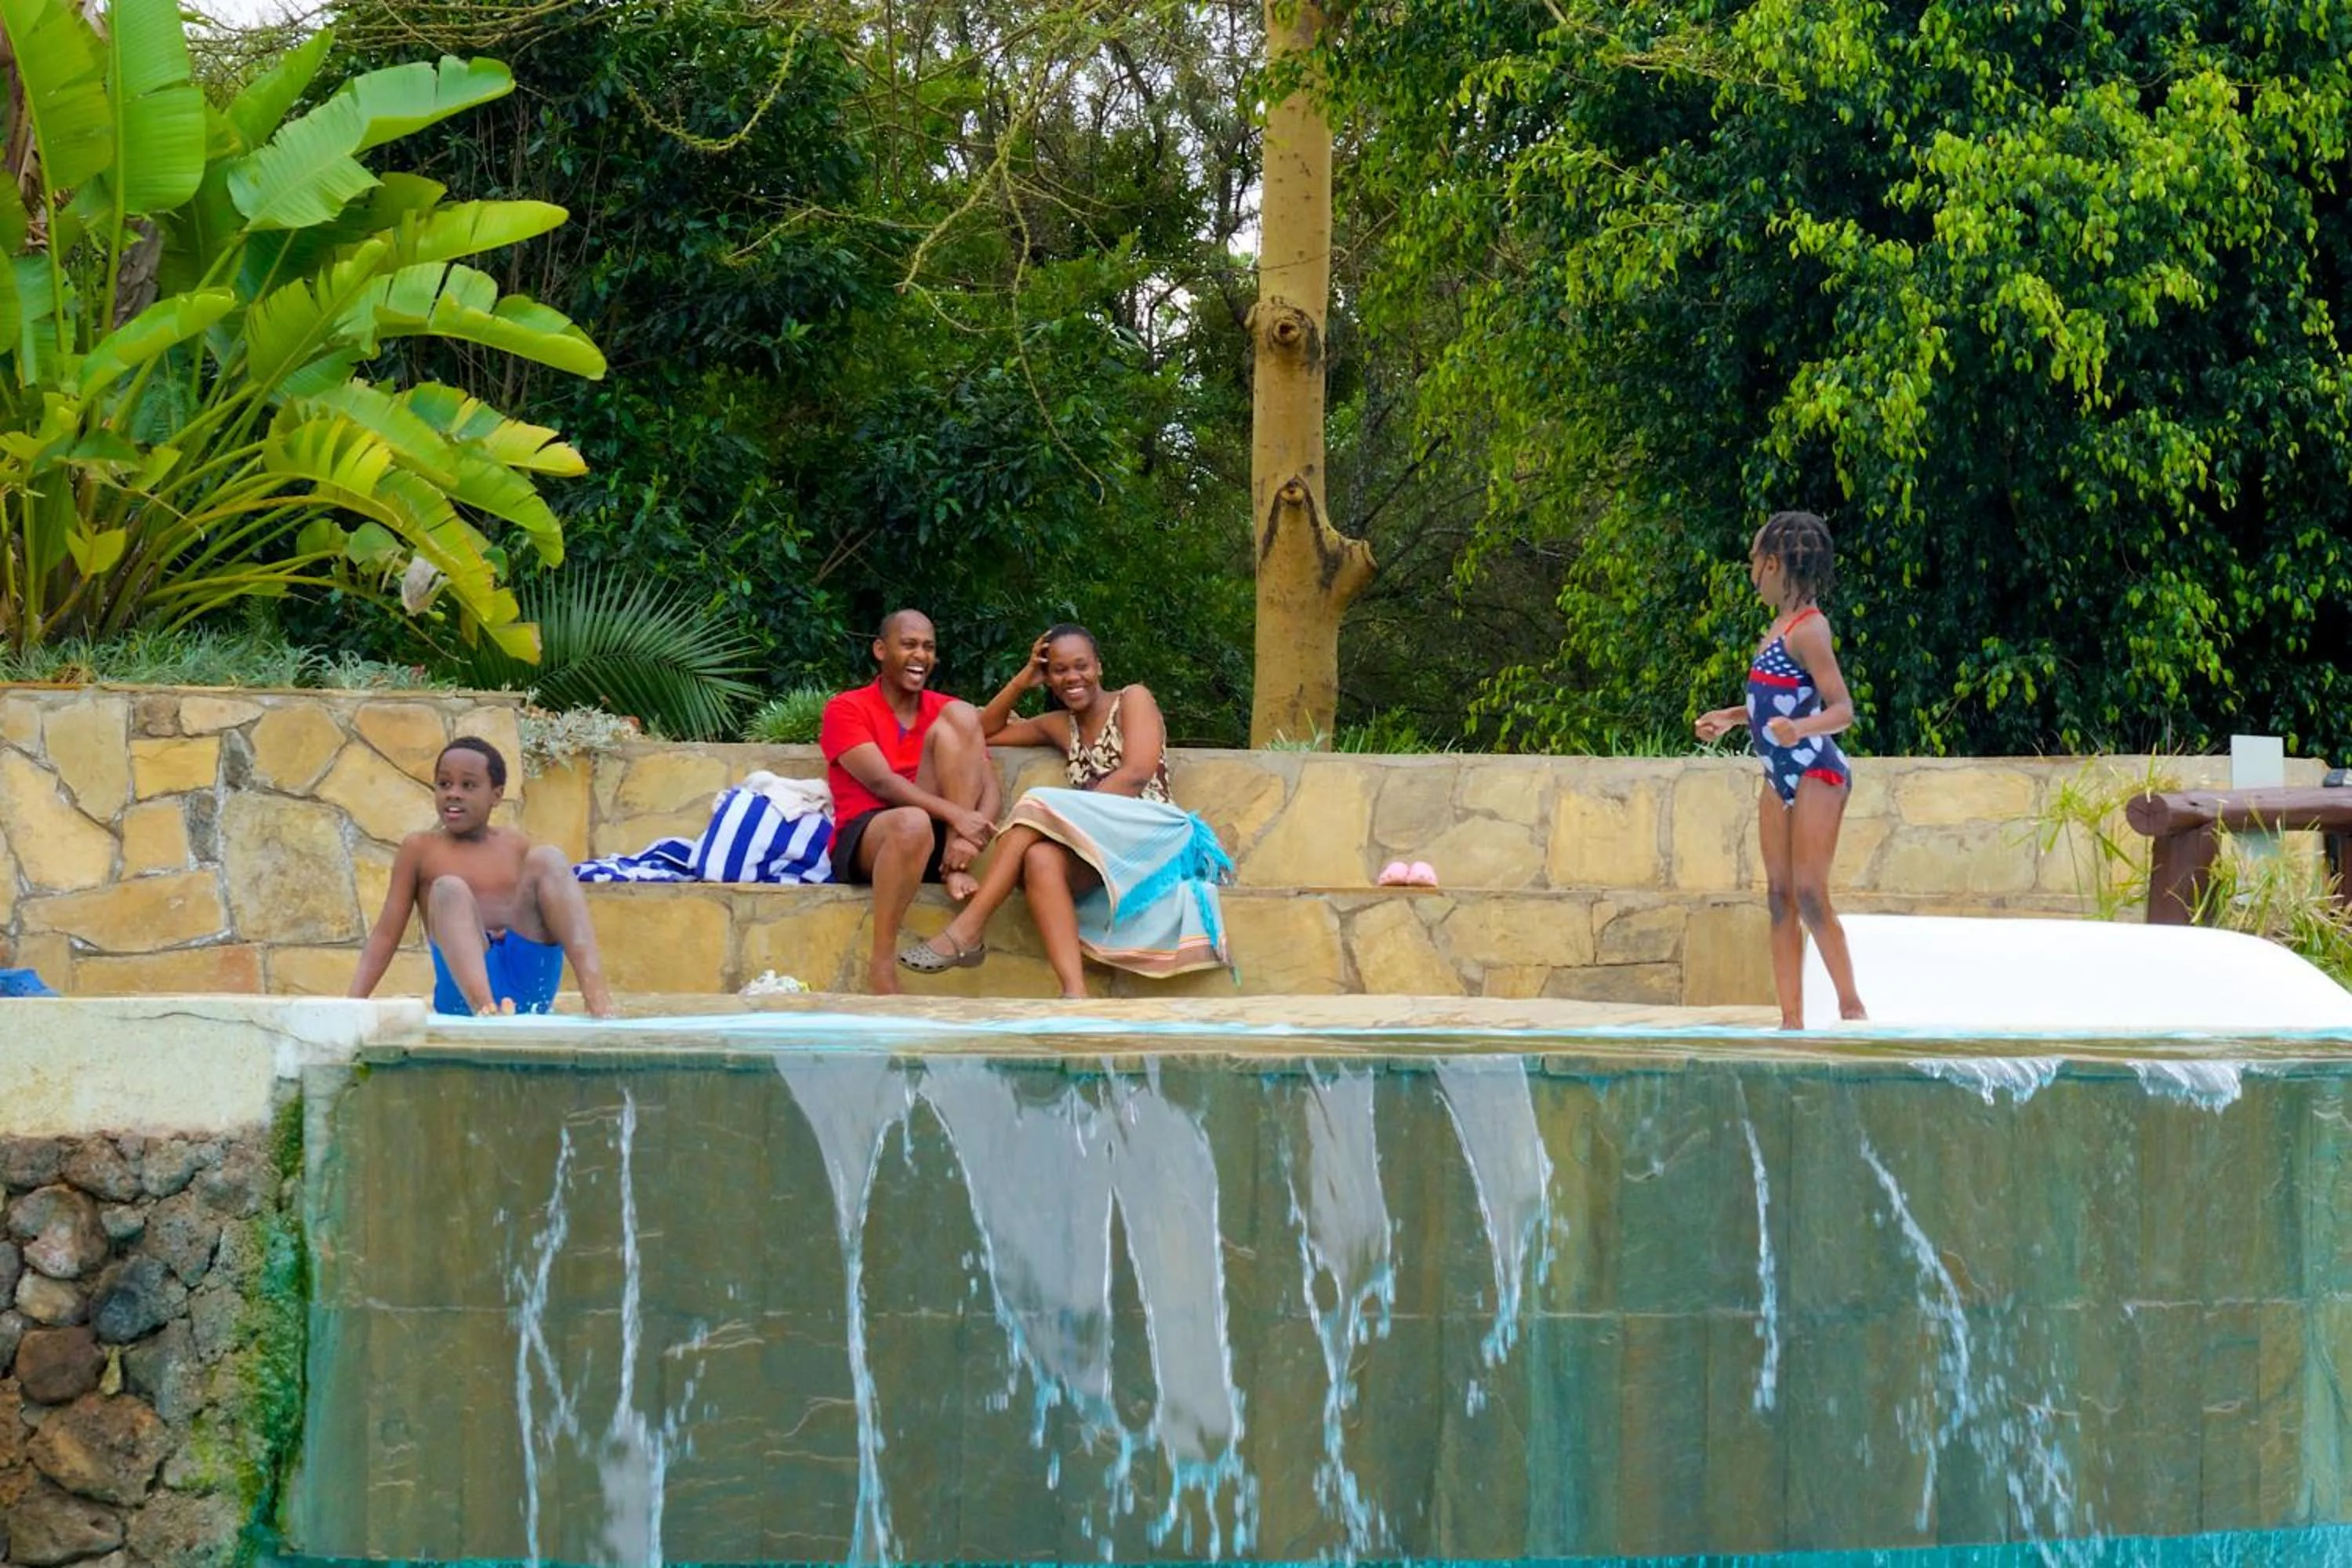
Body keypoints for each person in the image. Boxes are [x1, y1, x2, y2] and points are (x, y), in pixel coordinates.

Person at [898, 625, 1232, 997]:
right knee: (1041, 858)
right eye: (1059, 670)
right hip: (1102, 844)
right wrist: (1022, 682)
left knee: (1037, 801)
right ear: (1048, 678)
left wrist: (1069, 817)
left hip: (1153, 834)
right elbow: (983, 733)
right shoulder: (1060, 726)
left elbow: (1137, 774)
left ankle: (969, 929)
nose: (1073, 677)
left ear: (1099, 668)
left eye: (1082, 666)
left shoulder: (1133, 698)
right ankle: (1075, 994)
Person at [1695, 510, 1867, 1029]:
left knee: (1811, 896)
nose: (1751, 573)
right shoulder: (1777, 628)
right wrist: (1729, 718)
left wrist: (1805, 729)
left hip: (1817, 771)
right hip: (1778, 776)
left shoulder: (1810, 629)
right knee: (1778, 898)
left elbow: (1843, 710)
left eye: (1754, 562)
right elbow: (1772, 702)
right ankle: (1790, 1021)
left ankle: (1851, 1009)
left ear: (1773, 565)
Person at [349, 737, 619, 1018]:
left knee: (550, 859)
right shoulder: (419, 849)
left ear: (496, 795)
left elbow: (543, 912)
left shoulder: (516, 845)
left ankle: (599, 1004)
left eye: (468, 786)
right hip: (463, 995)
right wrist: (352, 1005)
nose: (453, 793)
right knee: (448, 889)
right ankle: (485, 1011)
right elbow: (385, 935)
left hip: (526, 985)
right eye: (444, 784)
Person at [820, 608, 1000, 994]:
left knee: (963, 715)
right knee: (912, 821)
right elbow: (882, 783)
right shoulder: (846, 708)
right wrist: (958, 817)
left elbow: (990, 789)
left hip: (937, 837)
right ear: (881, 650)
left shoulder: (948, 711)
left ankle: (952, 862)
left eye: (928, 647)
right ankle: (882, 967)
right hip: (871, 834)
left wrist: (965, 840)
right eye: (909, 645)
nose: (920, 655)